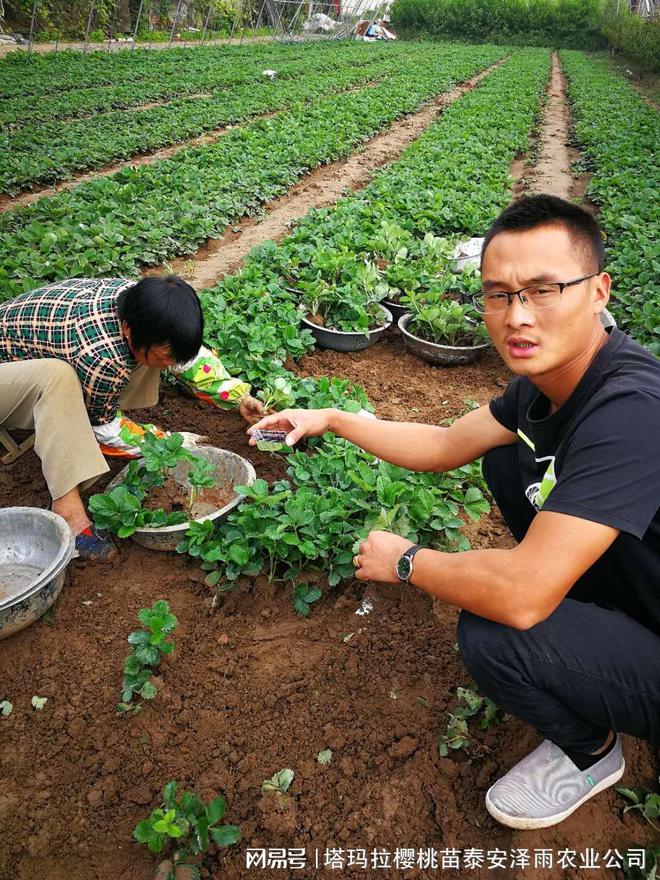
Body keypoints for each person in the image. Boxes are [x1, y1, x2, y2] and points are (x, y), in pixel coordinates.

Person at [248, 195, 660, 830]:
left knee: (496, 633)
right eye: (499, 294)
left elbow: (520, 597)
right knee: (507, 462)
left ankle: (592, 752)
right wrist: (329, 417)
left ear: (599, 291)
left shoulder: (631, 410)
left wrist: (408, 560)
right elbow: (444, 445)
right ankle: (587, 609)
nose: (517, 316)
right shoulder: (545, 385)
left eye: (544, 290)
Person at [0, 275, 265, 560]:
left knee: (146, 356)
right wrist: (167, 443)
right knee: (56, 379)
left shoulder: (142, 303)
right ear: (127, 329)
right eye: (164, 358)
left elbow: (183, 355)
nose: (170, 365)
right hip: (11, 369)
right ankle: (68, 512)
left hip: (43, 344)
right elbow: (102, 428)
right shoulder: (102, 358)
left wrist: (236, 395)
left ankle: (104, 389)